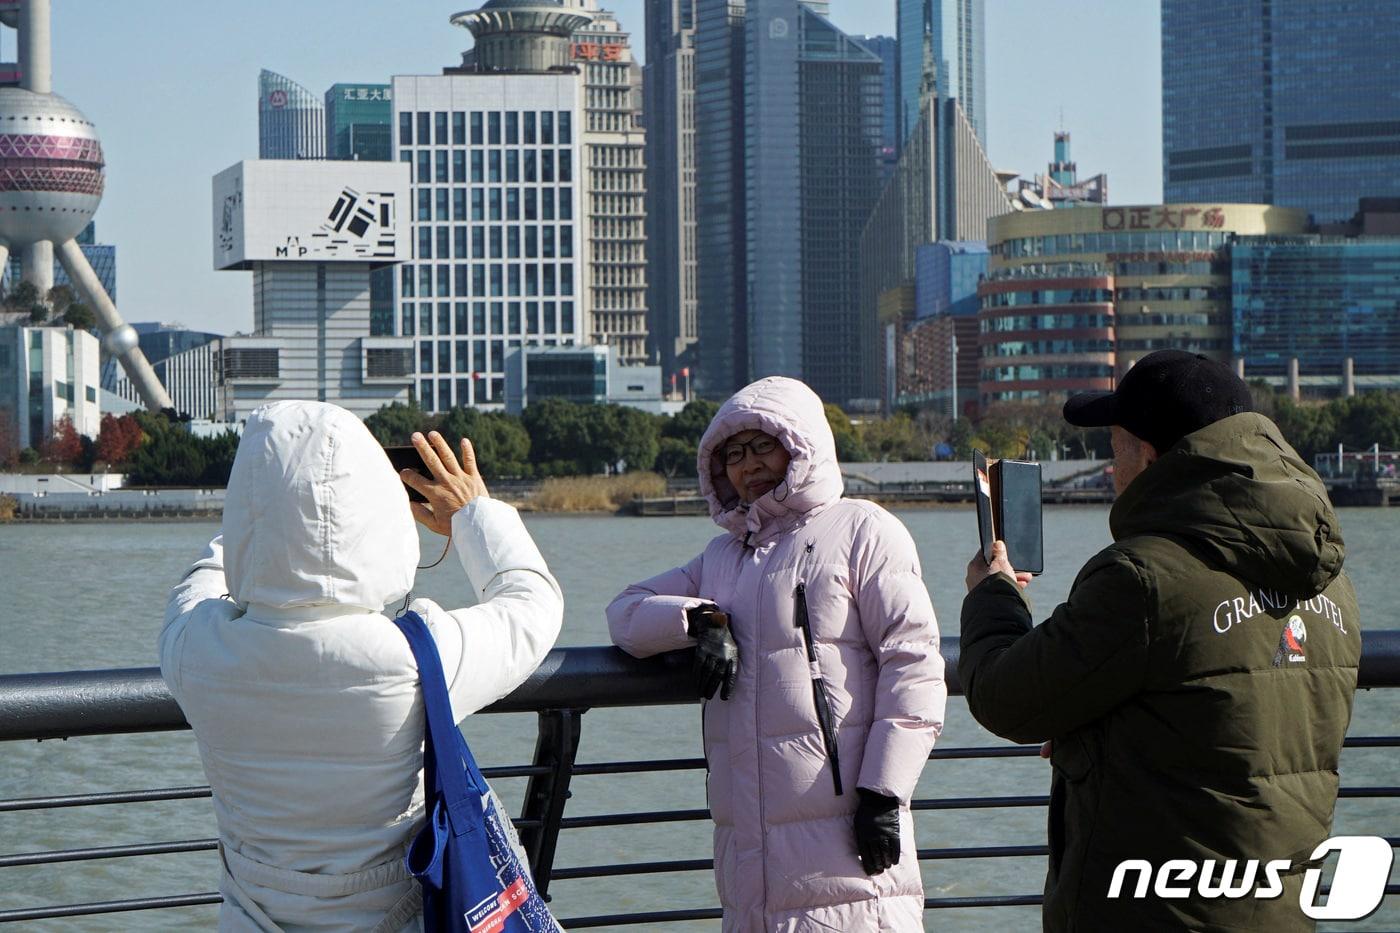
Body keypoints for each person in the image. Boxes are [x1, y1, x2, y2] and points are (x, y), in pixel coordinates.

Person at [959, 351, 1361, 932]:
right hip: (1281, 911)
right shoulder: (1331, 582)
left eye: (1114, 445)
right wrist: (1089, 734)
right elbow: (1226, 717)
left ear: (1147, 454)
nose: (1110, 463)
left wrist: (993, 595)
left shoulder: (1140, 576)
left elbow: (1005, 697)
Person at [159, 401, 563, 931]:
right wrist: (472, 513)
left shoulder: (197, 647)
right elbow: (533, 606)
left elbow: (203, 578)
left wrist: (264, 511)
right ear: (375, 513)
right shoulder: (416, 656)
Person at [608, 377, 945, 932]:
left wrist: (884, 794)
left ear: (803, 445)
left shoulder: (863, 529)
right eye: (733, 454)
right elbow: (625, 612)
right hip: (749, 846)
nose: (748, 465)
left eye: (763, 444)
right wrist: (701, 620)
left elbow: (912, 661)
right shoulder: (722, 557)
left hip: (848, 829)